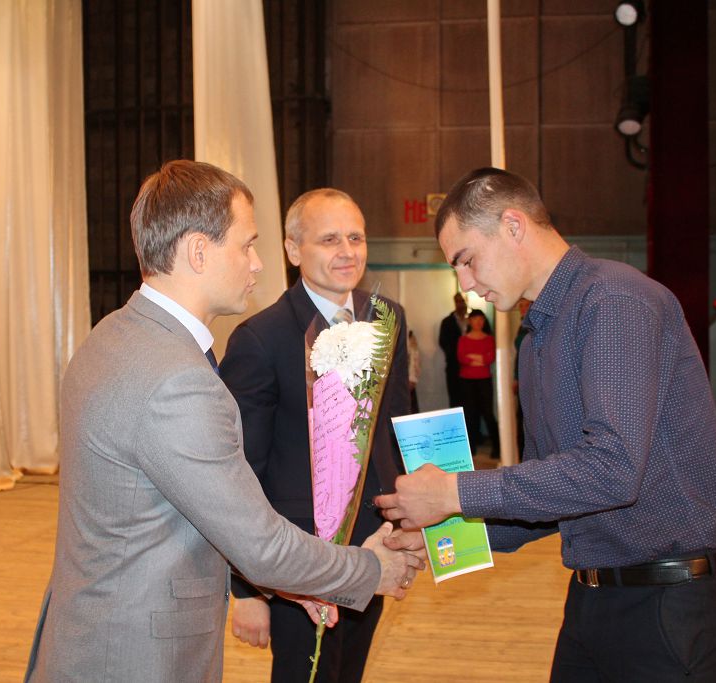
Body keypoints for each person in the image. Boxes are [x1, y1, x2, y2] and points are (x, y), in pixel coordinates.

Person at [25, 162, 425, 683]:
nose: (257, 264)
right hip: (137, 654)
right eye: (247, 245)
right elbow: (259, 545)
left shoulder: (115, 334)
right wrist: (370, 570)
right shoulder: (176, 379)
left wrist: (294, 584)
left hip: (96, 633)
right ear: (199, 252)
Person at [377, 167, 716, 682]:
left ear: (513, 225)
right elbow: (551, 497)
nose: (466, 284)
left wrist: (455, 492)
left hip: (669, 605)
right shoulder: (538, 337)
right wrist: (450, 535)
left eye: (466, 259)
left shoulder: (612, 301)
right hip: (593, 601)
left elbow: (613, 471)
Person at [220, 188, 411, 683]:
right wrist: (247, 590)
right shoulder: (260, 338)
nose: (347, 252)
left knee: (349, 673)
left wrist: (406, 517)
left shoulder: (387, 318)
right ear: (292, 249)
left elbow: (393, 427)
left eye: (356, 238)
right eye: (329, 240)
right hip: (295, 559)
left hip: (372, 545)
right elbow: (240, 472)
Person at [458, 309, 498, 457]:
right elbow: (462, 358)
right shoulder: (463, 339)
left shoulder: (489, 339)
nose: (478, 322)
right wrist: (480, 358)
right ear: (470, 321)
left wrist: (474, 358)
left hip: (484, 380)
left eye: (481, 319)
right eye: (475, 319)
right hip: (467, 381)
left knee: (488, 413)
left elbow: (490, 358)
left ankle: (497, 448)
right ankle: (471, 448)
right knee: (469, 414)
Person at [439, 291, 469, 408]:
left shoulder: (473, 319)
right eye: (458, 301)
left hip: (472, 367)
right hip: (454, 366)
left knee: (471, 401)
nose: (460, 304)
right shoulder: (447, 322)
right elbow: (443, 342)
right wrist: (456, 355)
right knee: (455, 400)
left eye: (462, 301)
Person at [407, 329, 421, 413]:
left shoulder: (409, 336)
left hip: (408, 380)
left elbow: (414, 359)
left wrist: (412, 378)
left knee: (410, 410)